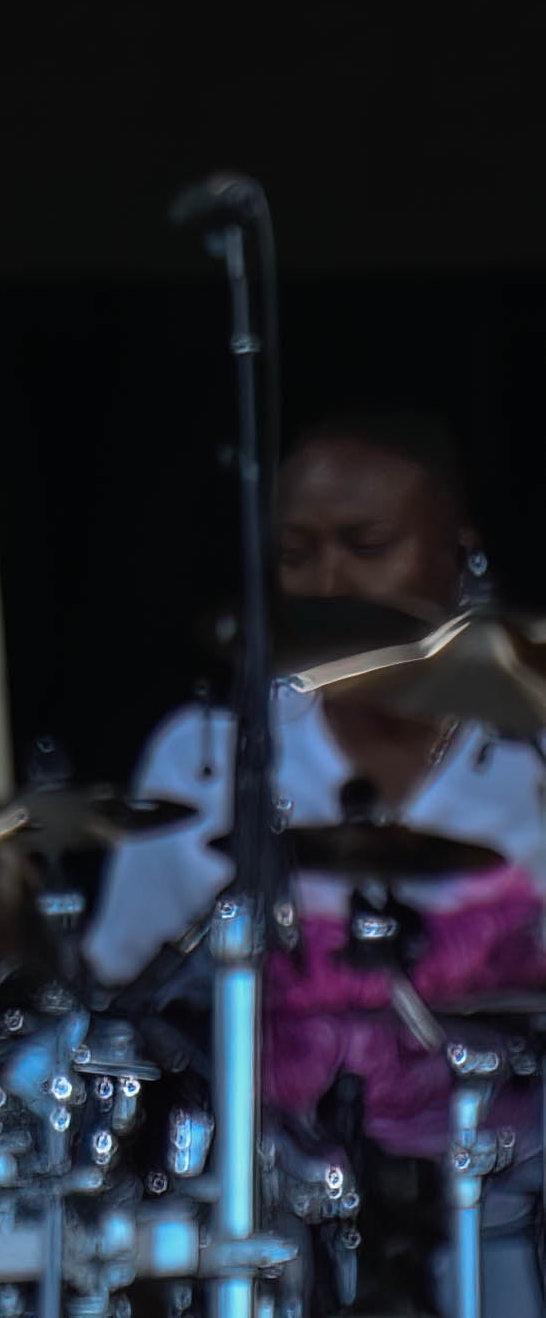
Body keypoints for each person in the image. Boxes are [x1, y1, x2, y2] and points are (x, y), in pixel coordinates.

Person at [85, 410, 546, 1316]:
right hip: (264, 1212)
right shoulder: (215, 756)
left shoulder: (528, 757)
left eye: (365, 546)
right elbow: (113, 998)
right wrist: (27, 939)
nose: (327, 583)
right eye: (296, 554)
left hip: (512, 1198)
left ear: (460, 551)